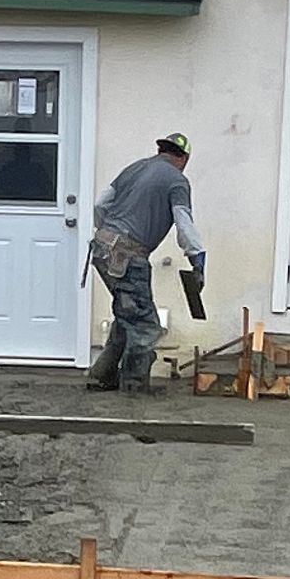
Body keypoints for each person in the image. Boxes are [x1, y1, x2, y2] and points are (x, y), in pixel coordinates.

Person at [86, 132, 206, 394]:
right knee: (145, 325)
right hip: (127, 256)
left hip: (102, 249)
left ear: (161, 151)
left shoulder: (135, 168)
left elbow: (99, 204)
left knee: (128, 312)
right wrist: (197, 258)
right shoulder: (177, 181)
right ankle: (134, 386)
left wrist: (108, 233)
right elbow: (183, 223)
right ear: (184, 158)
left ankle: (101, 375)